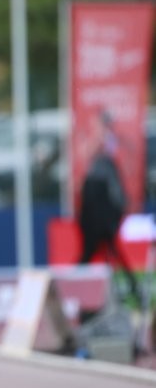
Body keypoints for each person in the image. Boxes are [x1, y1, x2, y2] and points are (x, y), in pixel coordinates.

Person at [77, 114, 142, 313]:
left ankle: (134, 293)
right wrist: (98, 136)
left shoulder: (112, 153)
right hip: (96, 211)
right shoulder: (94, 149)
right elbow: (86, 153)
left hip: (105, 211)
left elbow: (125, 164)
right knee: (90, 255)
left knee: (109, 254)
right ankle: (77, 293)